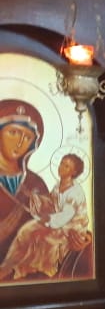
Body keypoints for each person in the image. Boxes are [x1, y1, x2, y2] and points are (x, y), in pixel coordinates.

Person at [0, 154, 91, 280]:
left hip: (70, 229)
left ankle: (32, 268)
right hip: (56, 222)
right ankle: (9, 266)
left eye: (66, 166)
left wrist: (47, 219)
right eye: (61, 163)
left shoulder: (75, 192)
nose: (61, 167)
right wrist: (34, 198)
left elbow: (65, 215)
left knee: (41, 237)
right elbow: (52, 203)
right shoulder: (58, 186)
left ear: (74, 172)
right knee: (26, 230)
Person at [0, 99, 49, 255]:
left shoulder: (36, 184)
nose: (20, 142)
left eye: (27, 137)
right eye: (13, 133)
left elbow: (50, 229)